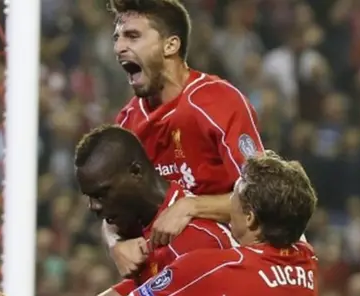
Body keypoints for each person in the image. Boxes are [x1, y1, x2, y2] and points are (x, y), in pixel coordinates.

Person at [0, 151, 319, 296]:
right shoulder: (308, 262)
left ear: (252, 216)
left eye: (235, 195)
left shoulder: (214, 269)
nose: (228, 203)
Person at [38, 125, 240, 296]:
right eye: (89, 197)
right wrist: (114, 244)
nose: (94, 207)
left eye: (102, 194)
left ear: (136, 172)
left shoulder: (195, 238)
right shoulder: (139, 218)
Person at [103, 0, 265, 276]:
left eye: (133, 36)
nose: (119, 47)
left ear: (170, 45)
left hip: (235, 270)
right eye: (117, 38)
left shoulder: (217, 101)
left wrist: (192, 206)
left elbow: (263, 196)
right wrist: (117, 243)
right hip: (168, 276)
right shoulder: (127, 123)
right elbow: (113, 208)